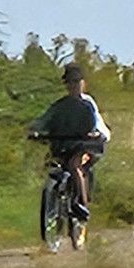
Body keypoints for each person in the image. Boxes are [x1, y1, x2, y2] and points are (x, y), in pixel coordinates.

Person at [28, 65, 111, 220]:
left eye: (76, 81)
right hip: (65, 144)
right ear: (65, 85)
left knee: (75, 164)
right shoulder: (60, 105)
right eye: (69, 82)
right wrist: (33, 130)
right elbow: (45, 119)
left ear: (83, 83)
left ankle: (82, 205)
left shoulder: (88, 103)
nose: (73, 85)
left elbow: (97, 123)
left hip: (87, 146)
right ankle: (54, 200)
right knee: (54, 164)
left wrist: (98, 133)